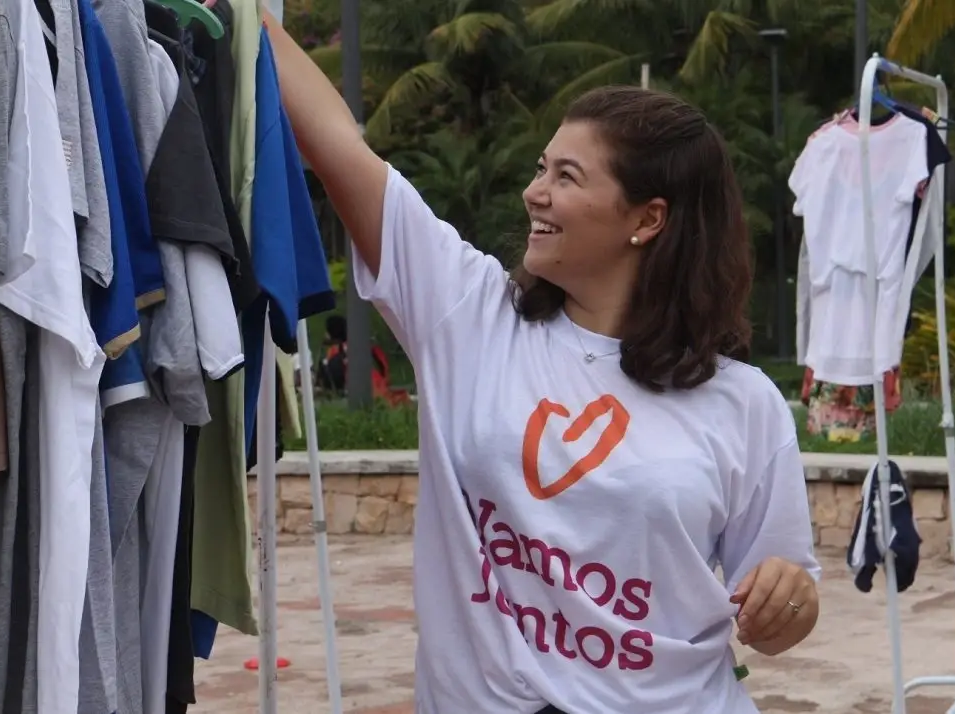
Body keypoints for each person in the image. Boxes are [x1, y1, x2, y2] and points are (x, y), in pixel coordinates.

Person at [263, 12, 821, 714]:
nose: (535, 192)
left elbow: (781, 615)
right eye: (539, 168)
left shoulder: (742, 402)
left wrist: (789, 601)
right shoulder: (467, 316)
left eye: (567, 175)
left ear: (646, 220)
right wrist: (241, 14)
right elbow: (338, 143)